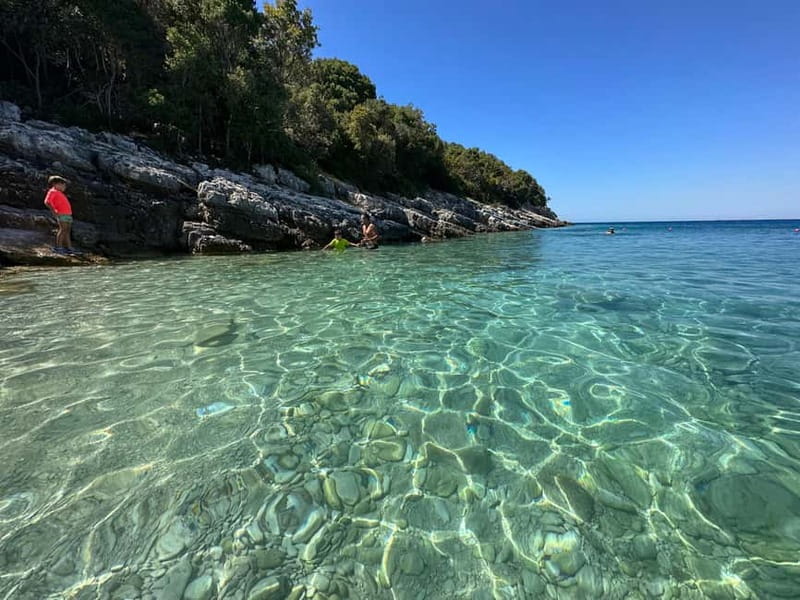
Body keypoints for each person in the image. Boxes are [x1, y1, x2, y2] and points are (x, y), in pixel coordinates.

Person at [43, 175, 75, 253]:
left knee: (67, 231)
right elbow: (47, 202)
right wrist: (54, 211)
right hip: (62, 214)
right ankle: (59, 247)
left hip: (68, 214)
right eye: (62, 185)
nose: (64, 187)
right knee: (63, 230)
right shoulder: (52, 191)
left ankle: (69, 247)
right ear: (55, 184)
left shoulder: (59, 193)